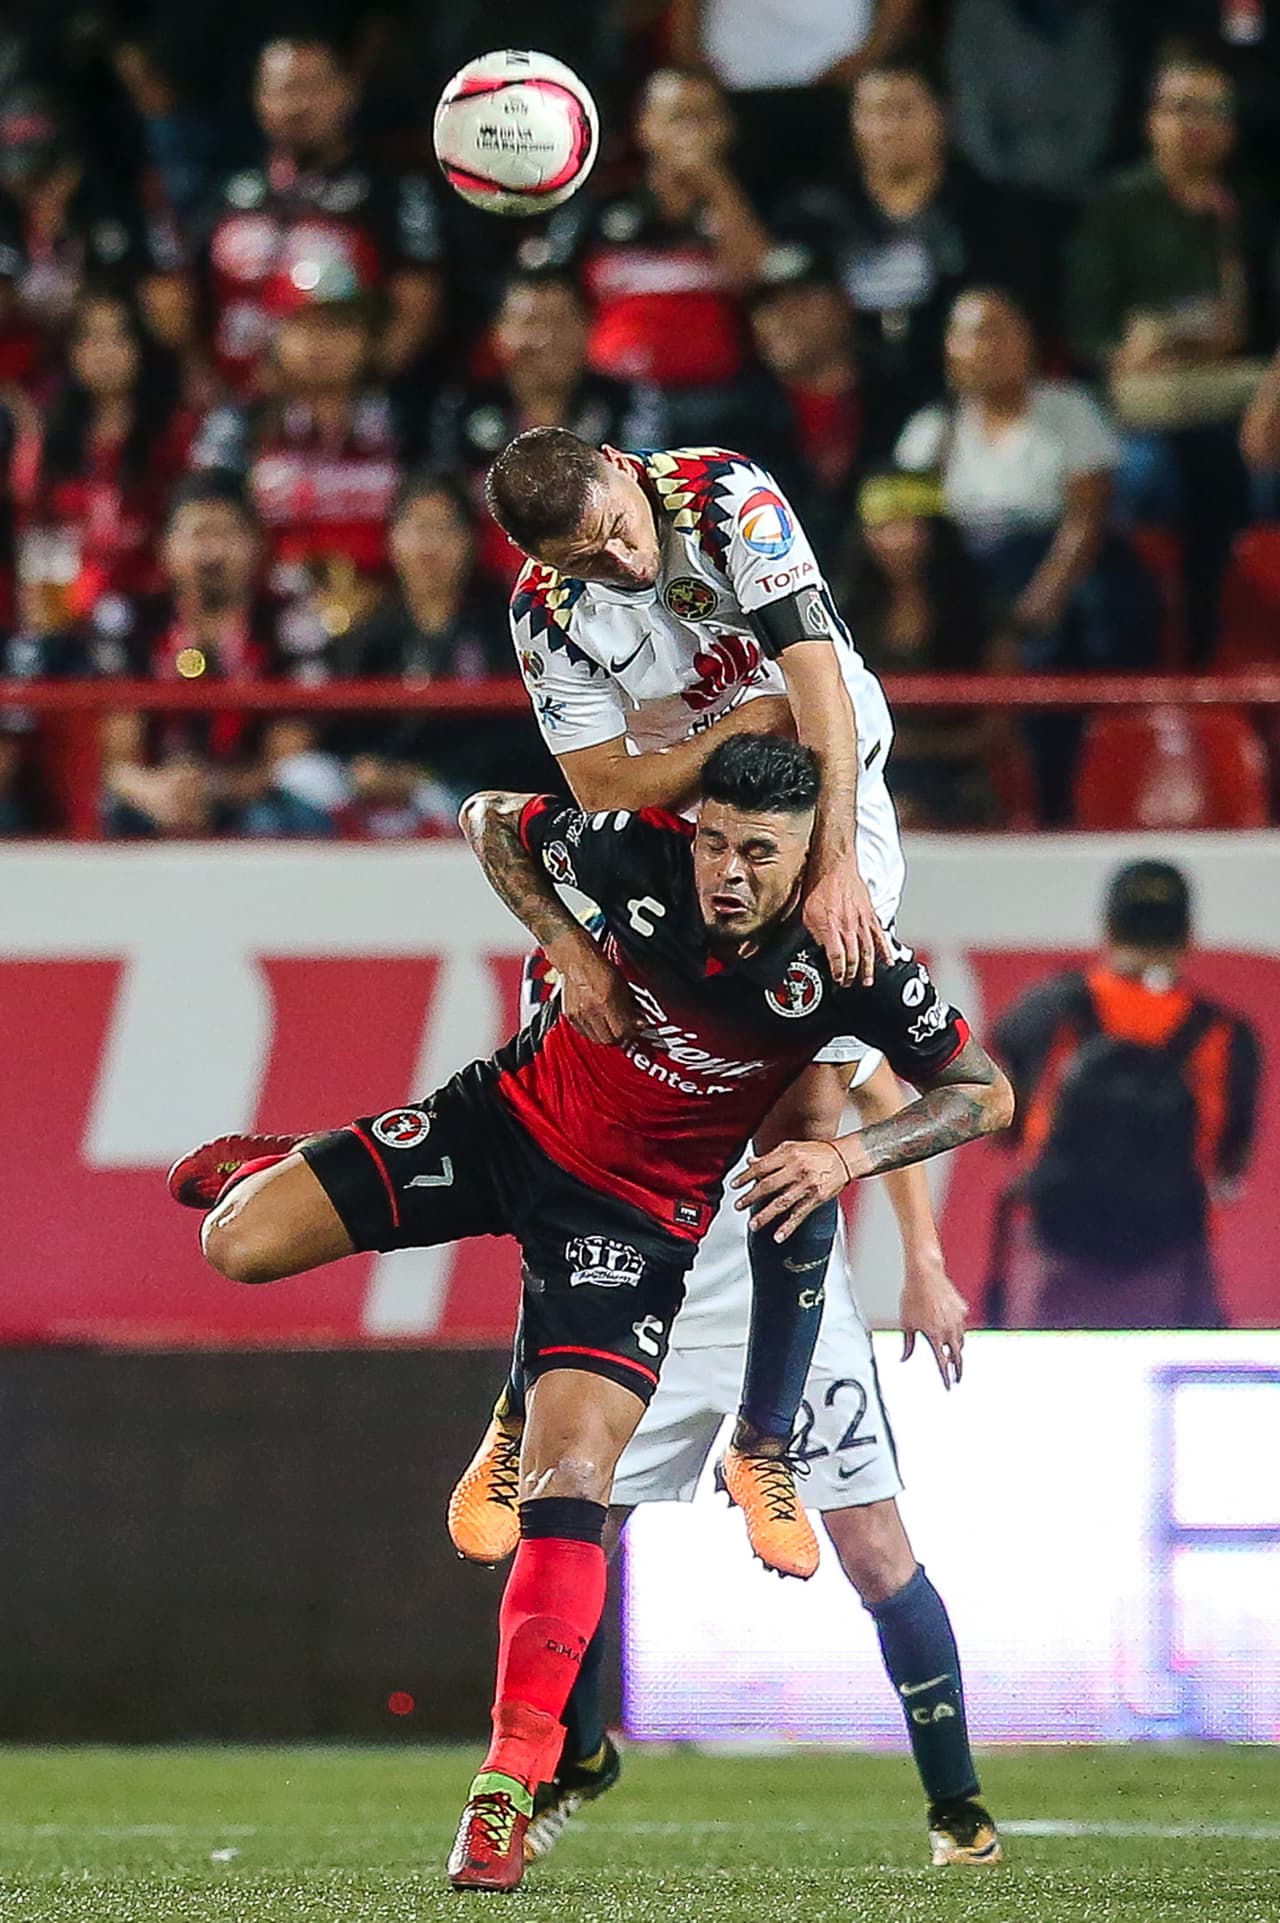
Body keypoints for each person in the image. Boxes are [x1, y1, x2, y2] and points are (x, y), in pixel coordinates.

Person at [166, 733, 1013, 1890]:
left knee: (570, 1484)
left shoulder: (851, 962)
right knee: (236, 1246)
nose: (723, 872)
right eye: (713, 841)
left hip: (626, 1225)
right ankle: (303, 1167)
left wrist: (846, 1162)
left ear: (809, 849)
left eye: (754, 853)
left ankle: (505, 1789)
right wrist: (569, 945)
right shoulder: (641, 853)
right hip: (506, 1123)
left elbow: (982, 1093)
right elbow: (487, 819)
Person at [461, 423, 903, 1581]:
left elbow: (812, 682)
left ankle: (764, 1441)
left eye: (613, 530)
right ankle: (515, 1417)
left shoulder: (725, 496)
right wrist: (718, 741)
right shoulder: (543, 611)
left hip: (826, 801)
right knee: (580, 1111)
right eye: (583, 557)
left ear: (619, 465)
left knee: (801, 1128)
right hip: (685, 833)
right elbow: (599, 786)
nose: (614, 562)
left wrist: (837, 862)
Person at [896, 286, 1159, 822]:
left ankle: (1055, 800)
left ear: (1028, 342)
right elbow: (911, 527)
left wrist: (1041, 602)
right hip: (967, 577)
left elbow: (1087, 517)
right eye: (970, 334)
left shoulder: (1068, 410)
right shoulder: (932, 430)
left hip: (1056, 569)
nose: (983, 347)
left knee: (1051, 654)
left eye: (997, 331)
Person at [989, 859, 1260, 1329]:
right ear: (1188, 935)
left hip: (1054, 1256)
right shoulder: (1227, 1034)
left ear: (1108, 926)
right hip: (1171, 1262)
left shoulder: (1049, 1008)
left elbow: (997, 1123)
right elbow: (1230, 1163)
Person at [1066, 50, 1271, 660]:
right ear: (1151, 120)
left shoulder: (1250, 211)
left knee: (1264, 476)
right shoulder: (1117, 208)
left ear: (1232, 128)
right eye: (1178, 108)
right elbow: (1089, 331)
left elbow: (1257, 324)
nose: (1194, 125)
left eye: (1210, 111)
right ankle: (1149, 649)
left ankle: (1245, 650)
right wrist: (1141, 341)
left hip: (1244, 397)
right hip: (1143, 401)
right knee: (1143, 475)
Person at [774, 59, 1047, 459]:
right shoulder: (817, 214)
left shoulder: (992, 214)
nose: (888, 128)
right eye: (873, 113)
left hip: (959, 403)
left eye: (904, 111)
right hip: (846, 406)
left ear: (943, 115)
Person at [190, 34, 446, 396]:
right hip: (235, 409)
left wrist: (346, 395)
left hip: (351, 415)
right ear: (259, 99)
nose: (297, 106)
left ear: (347, 93)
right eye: (283, 90)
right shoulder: (226, 193)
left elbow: (415, 313)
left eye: (313, 88)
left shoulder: (391, 192)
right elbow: (183, 307)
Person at [529, 68, 772, 447]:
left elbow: (762, 279)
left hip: (720, 403)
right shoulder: (598, 207)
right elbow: (555, 302)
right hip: (611, 400)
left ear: (727, 127)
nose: (689, 133)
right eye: (677, 118)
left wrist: (714, 184)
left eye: (704, 118)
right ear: (645, 127)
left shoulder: (748, 205)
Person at [93, 471, 336, 839]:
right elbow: (117, 757)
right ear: (166, 547)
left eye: (227, 534)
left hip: (252, 795)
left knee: (280, 817)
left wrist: (215, 790)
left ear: (255, 544)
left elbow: (288, 757)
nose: (212, 553)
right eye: (197, 535)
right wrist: (154, 791)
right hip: (157, 793)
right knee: (113, 816)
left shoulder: (291, 626)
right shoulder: (129, 622)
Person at [192, 260, 402, 634]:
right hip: (267, 632)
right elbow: (210, 525)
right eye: (304, 326)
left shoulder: (405, 424)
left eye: (337, 328)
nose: (320, 344)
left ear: (366, 337)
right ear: (277, 336)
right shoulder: (239, 426)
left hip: (389, 625)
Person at [328, 473, 547, 828]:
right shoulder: (367, 630)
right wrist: (367, 767)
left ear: (470, 541)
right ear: (392, 540)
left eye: (444, 529)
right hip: (370, 790)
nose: (428, 547)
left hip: (467, 792)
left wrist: (421, 776)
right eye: (416, 528)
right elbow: (341, 724)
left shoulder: (506, 627)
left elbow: (520, 736)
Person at [430, 269, 662, 585]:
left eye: (561, 321)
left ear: (587, 326)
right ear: (499, 333)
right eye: (531, 322)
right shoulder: (461, 411)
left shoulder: (627, 404)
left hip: (607, 587)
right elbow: (445, 511)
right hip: (486, 595)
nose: (547, 338)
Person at [12, 286, 192, 623]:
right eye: (90, 339)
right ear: (71, 352)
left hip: (158, 617)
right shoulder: (45, 444)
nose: (104, 352)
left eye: (118, 337)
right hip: (69, 619)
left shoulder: (176, 436)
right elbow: (35, 538)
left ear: (140, 347)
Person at [838, 469, 1001, 828]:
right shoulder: (845, 614)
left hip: (955, 776)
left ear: (935, 532)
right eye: (883, 527)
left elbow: (999, 729)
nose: (895, 540)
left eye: (907, 525)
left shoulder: (978, 616)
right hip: (863, 770)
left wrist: (909, 746)